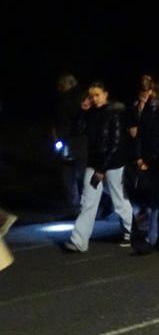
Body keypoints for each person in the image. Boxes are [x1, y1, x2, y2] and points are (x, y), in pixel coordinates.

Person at [64, 82, 133, 253]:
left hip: (113, 163)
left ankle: (131, 231)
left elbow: (115, 143)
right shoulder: (91, 113)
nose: (94, 99)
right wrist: (82, 112)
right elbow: (77, 131)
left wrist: (103, 169)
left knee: (119, 200)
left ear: (105, 94)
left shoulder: (115, 113)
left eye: (97, 95)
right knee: (88, 201)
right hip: (94, 162)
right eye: (91, 96)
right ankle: (79, 240)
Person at [127, 76, 159, 253]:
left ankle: (154, 237)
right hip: (153, 160)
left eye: (152, 91)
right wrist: (141, 157)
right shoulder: (149, 110)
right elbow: (140, 134)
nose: (149, 94)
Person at [51, 72, 87, 217]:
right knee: (73, 175)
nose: (60, 88)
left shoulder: (74, 98)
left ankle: (78, 207)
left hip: (75, 140)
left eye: (61, 85)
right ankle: (78, 208)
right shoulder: (71, 98)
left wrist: (57, 136)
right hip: (72, 140)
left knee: (75, 175)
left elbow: (65, 120)